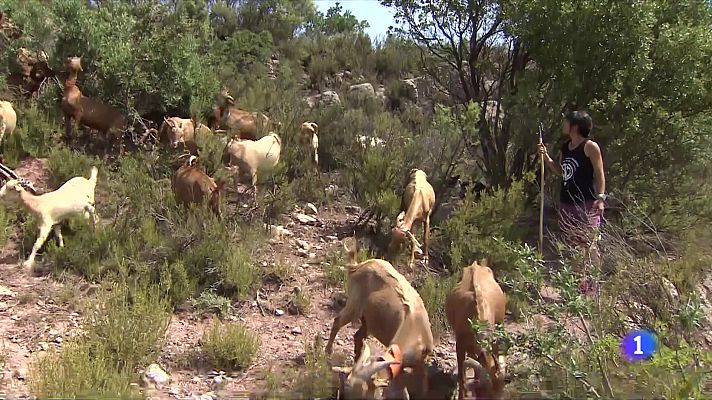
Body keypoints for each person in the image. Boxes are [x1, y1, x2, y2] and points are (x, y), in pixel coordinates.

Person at [538, 110, 606, 295]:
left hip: (586, 202)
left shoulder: (590, 147)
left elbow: (599, 173)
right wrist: (547, 159)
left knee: (589, 244)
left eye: (566, 122)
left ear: (575, 126)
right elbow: (561, 171)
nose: (563, 125)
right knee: (574, 245)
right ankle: (579, 286)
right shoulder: (566, 147)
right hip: (567, 202)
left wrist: (601, 198)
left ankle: (593, 285)